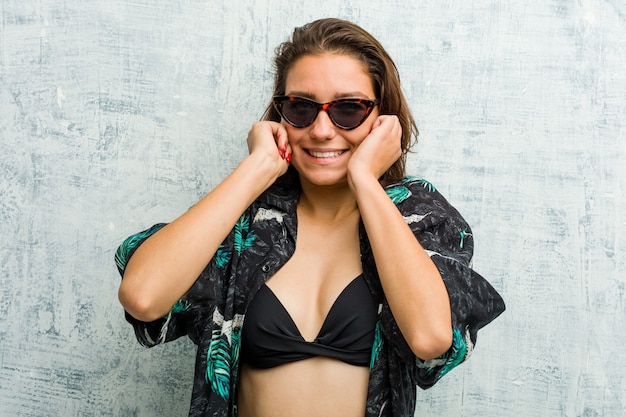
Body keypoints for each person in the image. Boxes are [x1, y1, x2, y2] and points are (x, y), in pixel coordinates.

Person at [115, 17, 505, 417]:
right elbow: (142, 296)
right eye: (301, 107)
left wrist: (365, 181)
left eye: (349, 109)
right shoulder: (246, 225)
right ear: (280, 115)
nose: (321, 130)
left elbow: (430, 338)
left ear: (382, 119)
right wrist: (256, 169)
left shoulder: (417, 216)